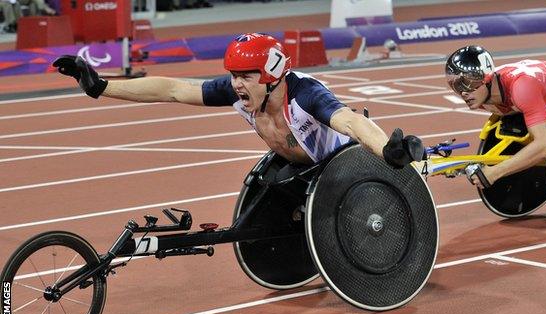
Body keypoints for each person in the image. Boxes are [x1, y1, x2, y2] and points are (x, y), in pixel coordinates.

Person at [53, 33, 423, 171]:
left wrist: (387, 149)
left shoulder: (306, 94)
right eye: (233, 75)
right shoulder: (238, 90)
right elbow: (171, 89)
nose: (235, 84)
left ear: (270, 77)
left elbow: (351, 122)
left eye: (245, 76)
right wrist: (101, 86)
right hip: (297, 167)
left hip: (343, 170)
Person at [445, 45, 546, 189]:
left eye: (467, 84)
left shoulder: (521, 88)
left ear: (487, 78)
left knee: (541, 138)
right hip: (534, 95)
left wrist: (494, 172)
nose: (463, 92)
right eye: (456, 86)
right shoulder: (483, 95)